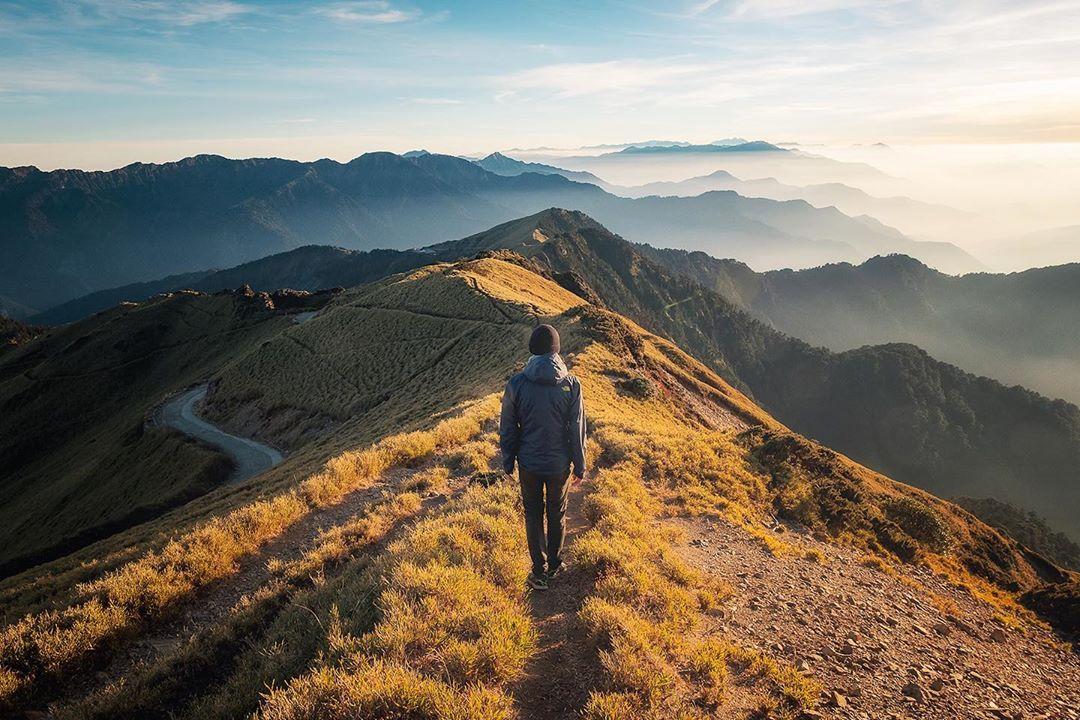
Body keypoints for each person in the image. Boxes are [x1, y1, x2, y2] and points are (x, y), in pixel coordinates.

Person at [499, 324, 587, 591]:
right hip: (559, 464)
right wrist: (580, 464)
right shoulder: (571, 384)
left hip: (529, 463)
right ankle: (555, 567)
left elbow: (507, 425)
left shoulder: (516, 384)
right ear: (557, 351)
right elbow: (577, 427)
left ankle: (538, 572)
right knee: (557, 512)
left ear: (532, 351)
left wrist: (508, 459)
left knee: (533, 514)